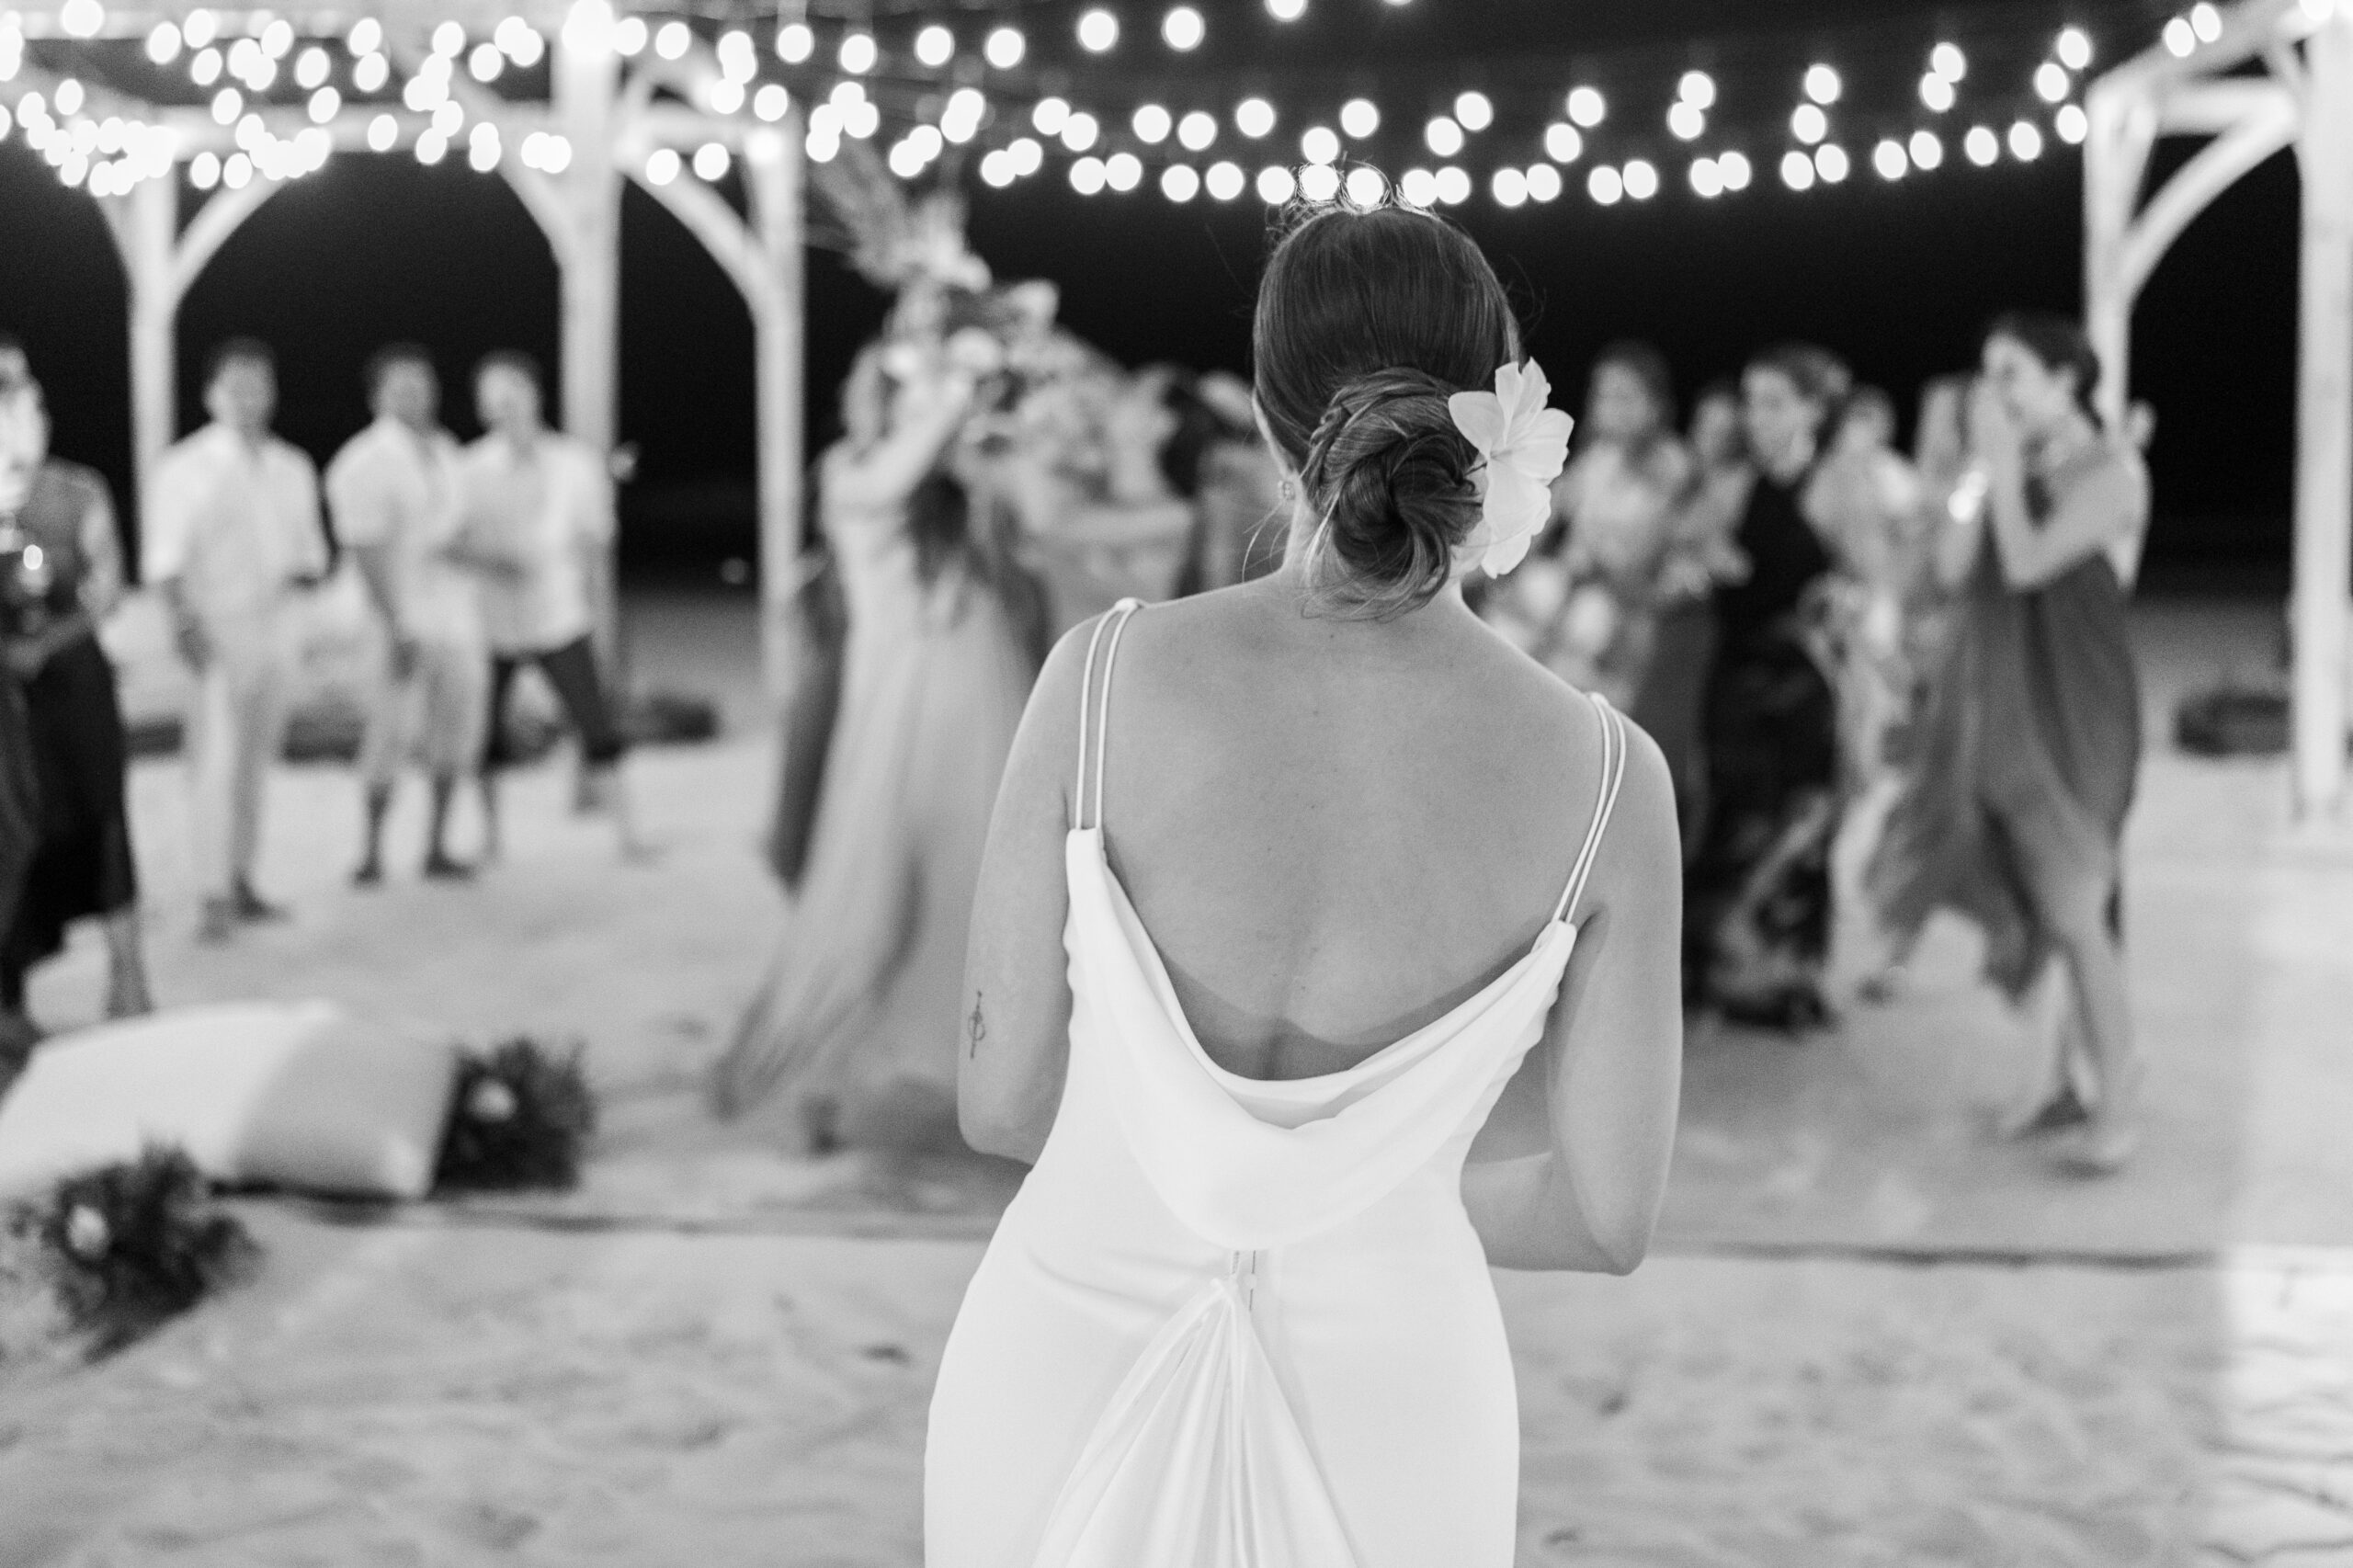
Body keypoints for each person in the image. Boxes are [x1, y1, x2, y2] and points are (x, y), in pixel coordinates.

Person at [926, 205, 1683, 1566]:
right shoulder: (1610, 779)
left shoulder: (1099, 683)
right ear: (1495, 410)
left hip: (1052, 1366)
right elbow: (1609, 1214)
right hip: (1398, 1414)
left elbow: (999, 1099)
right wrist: (1384, 1196)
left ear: (1274, 424)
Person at [710, 334, 1040, 1156]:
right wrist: (957, 379)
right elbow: (897, 471)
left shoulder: (954, 487)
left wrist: (980, 436)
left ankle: (990, 1074)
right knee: (871, 890)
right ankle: (818, 1074)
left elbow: (1023, 530)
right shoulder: (851, 475)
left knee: (974, 890)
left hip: (979, 710)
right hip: (897, 712)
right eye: (904, 387)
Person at [1869, 314, 2150, 1174]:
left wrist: (1994, 466)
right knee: (2044, 909)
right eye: (1987, 376)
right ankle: (2061, 1082)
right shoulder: (2002, 469)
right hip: (2006, 708)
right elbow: (1955, 570)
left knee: (2076, 909)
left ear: (2066, 381)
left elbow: (2029, 567)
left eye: (2013, 374)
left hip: (2080, 713)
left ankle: (2122, 1107)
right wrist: (1975, 474)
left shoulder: (2113, 470)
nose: (1995, 393)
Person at [1684, 343, 1849, 1030]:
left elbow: (1882, 578)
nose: (1757, 416)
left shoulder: (1841, 486)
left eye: (1774, 401)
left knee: (1802, 829)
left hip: (1804, 685)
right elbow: (1685, 549)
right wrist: (1702, 556)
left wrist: (1849, 597)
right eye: (1751, 400)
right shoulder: (1730, 484)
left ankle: (1785, 980)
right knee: (1731, 821)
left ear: (1814, 408)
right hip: (1736, 681)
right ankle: (1718, 973)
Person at [144, 338, 328, 944]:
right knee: (213, 765)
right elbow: (166, 561)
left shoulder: (293, 466)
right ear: (211, 395)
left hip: (279, 630)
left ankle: (244, 877)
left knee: (255, 764)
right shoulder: (186, 467)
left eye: (259, 387)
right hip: (217, 631)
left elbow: (309, 554)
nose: (248, 400)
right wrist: (183, 626)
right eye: (235, 388)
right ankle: (211, 894)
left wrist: (303, 587)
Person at [0, 341, 151, 1051]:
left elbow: (107, 588)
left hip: (74, 683)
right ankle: (10, 1001)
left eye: (28, 407)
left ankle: (128, 974)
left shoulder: (78, 490)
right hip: (6, 694)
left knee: (102, 812)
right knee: (13, 833)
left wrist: (46, 643)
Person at [449, 351, 642, 861]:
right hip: (493, 622)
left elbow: (596, 547)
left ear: (535, 394)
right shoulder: (469, 468)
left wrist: (604, 620)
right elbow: (449, 543)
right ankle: (491, 837)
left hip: (560, 616)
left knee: (596, 723)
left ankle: (627, 834)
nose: (503, 405)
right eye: (492, 397)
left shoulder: (576, 464)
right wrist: (493, 561)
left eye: (512, 392)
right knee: (486, 735)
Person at [325, 345, 482, 884]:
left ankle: (437, 846)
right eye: (400, 386)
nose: (415, 394)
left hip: (455, 616)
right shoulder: (363, 461)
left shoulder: (447, 450)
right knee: (388, 735)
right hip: (396, 618)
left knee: (454, 734)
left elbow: (457, 530)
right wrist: (395, 626)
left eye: (422, 382)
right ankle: (370, 853)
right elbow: (364, 550)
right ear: (378, 396)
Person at [1490, 341, 1695, 709]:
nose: (1609, 408)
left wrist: (1590, 575)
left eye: (1624, 396)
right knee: (1517, 613)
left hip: (1619, 608)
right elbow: (1543, 519)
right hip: (1566, 591)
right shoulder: (1595, 457)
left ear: (1654, 404)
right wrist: (1504, 572)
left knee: (1584, 625)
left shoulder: (1674, 467)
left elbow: (1652, 559)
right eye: (1603, 395)